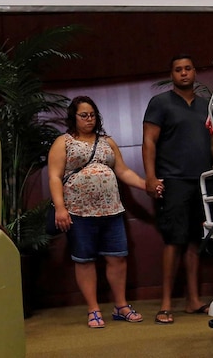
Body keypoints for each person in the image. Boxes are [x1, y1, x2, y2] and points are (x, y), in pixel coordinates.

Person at [48, 96, 146, 329]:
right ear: (74, 117)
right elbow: (53, 176)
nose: (89, 119)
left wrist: (146, 185)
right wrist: (60, 208)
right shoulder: (63, 142)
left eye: (92, 114)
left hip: (111, 210)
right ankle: (93, 309)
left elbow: (122, 170)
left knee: (117, 258)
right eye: (84, 115)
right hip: (79, 212)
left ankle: (121, 306)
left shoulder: (107, 142)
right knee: (84, 261)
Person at [143, 54, 213, 324]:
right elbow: (149, 141)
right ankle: (165, 304)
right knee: (174, 240)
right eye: (178, 70)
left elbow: (211, 143)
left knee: (196, 241)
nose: (183, 73)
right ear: (171, 74)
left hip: (203, 181)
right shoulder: (160, 103)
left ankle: (193, 300)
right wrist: (150, 177)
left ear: (195, 72)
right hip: (173, 181)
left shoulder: (206, 105)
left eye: (188, 69)